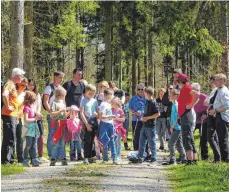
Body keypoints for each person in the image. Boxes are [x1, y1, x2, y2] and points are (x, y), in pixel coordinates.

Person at [1, 68, 25, 164]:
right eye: (21, 76)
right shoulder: (10, 84)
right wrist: (7, 106)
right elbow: (4, 94)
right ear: (16, 76)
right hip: (8, 114)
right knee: (9, 137)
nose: (22, 78)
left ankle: (10, 159)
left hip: (14, 115)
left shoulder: (14, 85)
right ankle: (5, 160)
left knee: (12, 137)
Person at [177, 73, 199, 165]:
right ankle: (194, 159)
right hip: (184, 115)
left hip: (186, 114)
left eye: (177, 81)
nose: (177, 82)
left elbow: (197, 95)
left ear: (180, 81)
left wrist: (191, 105)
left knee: (186, 137)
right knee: (190, 137)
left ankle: (190, 160)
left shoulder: (187, 88)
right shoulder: (183, 89)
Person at [63, 68, 85, 161]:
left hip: (78, 113)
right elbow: (62, 97)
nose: (80, 76)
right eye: (78, 74)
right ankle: (69, 154)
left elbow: (84, 97)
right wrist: (65, 109)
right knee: (68, 135)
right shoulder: (67, 85)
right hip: (69, 113)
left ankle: (79, 154)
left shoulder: (82, 85)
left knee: (79, 135)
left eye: (81, 74)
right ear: (74, 74)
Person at [43, 71, 65, 159]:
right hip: (52, 115)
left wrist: (64, 112)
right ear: (55, 77)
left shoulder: (61, 88)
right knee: (52, 134)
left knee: (60, 134)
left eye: (62, 77)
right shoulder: (49, 88)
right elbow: (45, 101)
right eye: (60, 77)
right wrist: (50, 112)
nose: (61, 79)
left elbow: (63, 101)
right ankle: (51, 154)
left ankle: (59, 154)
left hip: (61, 115)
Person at [135, 86, 160, 163]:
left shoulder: (153, 102)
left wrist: (147, 118)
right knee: (141, 141)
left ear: (148, 93)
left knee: (151, 142)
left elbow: (158, 114)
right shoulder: (147, 102)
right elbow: (146, 113)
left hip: (151, 126)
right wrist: (142, 116)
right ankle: (140, 157)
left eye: (145, 92)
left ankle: (154, 157)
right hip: (145, 125)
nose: (143, 93)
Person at [27, 78, 49, 163]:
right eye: (30, 84)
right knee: (30, 137)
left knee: (40, 135)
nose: (31, 86)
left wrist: (38, 113)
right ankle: (31, 156)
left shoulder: (37, 94)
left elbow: (39, 104)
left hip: (38, 117)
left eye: (33, 85)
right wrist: (35, 113)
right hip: (30, 117)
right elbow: (28, 106)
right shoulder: (26, 94)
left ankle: (40, 155)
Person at [208, 73, 229, 163]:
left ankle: (226, 159)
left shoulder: (224, 91)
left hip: (222, 117)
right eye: (215, 80)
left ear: (223, 81)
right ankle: (223, 158)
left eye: (218, 80)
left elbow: (227, 105)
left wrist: (215, 110)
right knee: (220, 138)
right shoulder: (218, 90)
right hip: (217, 116)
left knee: (222, 138)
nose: (216, 81)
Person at [163, 89, 186, 165]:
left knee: (171, 143)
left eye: (170, 95)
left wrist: (172, 126)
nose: (168, 97)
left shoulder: (176, 105)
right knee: (179, 144)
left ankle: (173, 160)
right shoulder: (173, 105)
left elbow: (178, 117)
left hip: (177, 128)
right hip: (175, 128)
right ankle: (184, 159)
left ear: (175, 96)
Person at [50, 86, 70, 166]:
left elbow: (65, 115)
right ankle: (53, 159)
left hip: (63, 123)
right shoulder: (54, 103)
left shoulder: (63, 103)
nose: (64, 97)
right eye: (63, 95)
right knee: (56, 141)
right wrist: (60, 111)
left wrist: (69, 111)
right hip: (56, 123)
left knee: (62, 142)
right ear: (59, 95)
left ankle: (63, 158)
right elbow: (52, 114)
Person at [80, 84, 99, 164]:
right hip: (87, 121)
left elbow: (97, 111)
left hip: (94, 120)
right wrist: (86, 124)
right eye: (90, 93)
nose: (91, 95)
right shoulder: (83, 100)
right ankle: (86, 157)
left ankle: (92, 156)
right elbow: (81, 113)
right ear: (86, 92)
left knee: (93, 140)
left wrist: (99, 115)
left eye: (93, 93)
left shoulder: (95, 101)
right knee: (87, 140)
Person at [98, 89, 117, 164]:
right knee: (105, 141)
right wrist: (110, 116)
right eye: (109, 96)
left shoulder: (110, 104)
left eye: (112, 96)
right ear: (105, 96)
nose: (111, 98)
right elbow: (101, 116)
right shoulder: (103, 104)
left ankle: (114, 158)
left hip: (110, 124)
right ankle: (105, 158)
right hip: (104, 124)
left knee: (112, 141)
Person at [204, 76, 221, 163]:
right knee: (214, 137)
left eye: (212, 82)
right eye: (210, 82)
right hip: (211, 115)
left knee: (210, 137)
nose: (211, 84)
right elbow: (206, 102)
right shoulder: (213, 91)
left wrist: (209, 103)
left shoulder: (216, 91)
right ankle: (217, 157)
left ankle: (218, 157)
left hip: (214, 115)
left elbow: (207, 102)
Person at [23, 91, 41, 167]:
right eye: (33, 100)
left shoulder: (31, 107)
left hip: (34, 128)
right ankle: (25, 159)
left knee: (34, 144)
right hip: (29, 129)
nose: (34, 101)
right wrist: (35, 118)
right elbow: (26, 119)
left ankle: (34, 159)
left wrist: (37, 115)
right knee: (28, 145)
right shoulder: (26, 108)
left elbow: (34, 115)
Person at [191, 83, 208, 160]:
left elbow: (209, 106)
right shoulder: (190, 96)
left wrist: (205, 113)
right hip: (193, 120)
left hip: (203, 120)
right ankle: (190, 156)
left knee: (203, 139)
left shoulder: (204, 97)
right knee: (189, 138)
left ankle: (204, 157)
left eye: (195, 90)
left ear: (198, 90)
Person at [129, 83, 146, 151]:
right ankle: (136, 150)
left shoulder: (146, 98)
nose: (140, 91)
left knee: (144, 135)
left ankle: (145, 150)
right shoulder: (133, 98)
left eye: (142, 89)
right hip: (135, 120)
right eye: (138, 89)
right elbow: (130, 108)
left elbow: (149, 108)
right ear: (136, 90)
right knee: (136, 135)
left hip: (144, 119)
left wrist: (142, 112)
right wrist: (135, 112)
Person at [16, 78, 28, 163]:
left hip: (23, 119)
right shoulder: (14, 93)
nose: (23, 87)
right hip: (14, 117)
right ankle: (12, 157)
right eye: (22, 85)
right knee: (13, 138)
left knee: (21, 138)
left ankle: (21, 158)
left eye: (25, 85)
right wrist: (23, 103)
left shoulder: (25, 94)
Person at [111, 97, 127, 161]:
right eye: (111, 102)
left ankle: (118, 154)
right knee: (113, 142)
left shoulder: (120, 110)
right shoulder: (110, 109)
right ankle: (113, 154)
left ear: (117, 103)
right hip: (112, 128)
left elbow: (123, 119)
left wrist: (117, 119)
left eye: (113, 102)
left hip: (118, 128)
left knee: (118, 142)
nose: (111, 104)